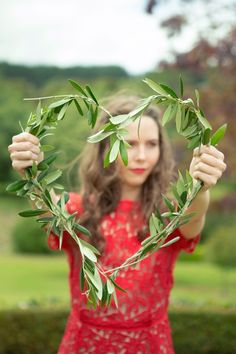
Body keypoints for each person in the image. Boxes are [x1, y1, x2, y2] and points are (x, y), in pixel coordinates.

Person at [8, 95, 226, 354]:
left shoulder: (170, 214)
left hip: (150, 345)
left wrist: (201, 188)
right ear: (106, 147)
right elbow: (45, 203)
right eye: (129, 144)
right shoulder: (78, 210)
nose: (142, 156)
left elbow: (195, 216)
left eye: (152, 144)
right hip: (84, 345)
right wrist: (30, 169)